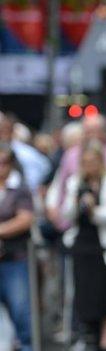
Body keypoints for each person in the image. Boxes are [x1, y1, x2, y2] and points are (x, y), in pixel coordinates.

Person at [61, 140, 106, 350]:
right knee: (84, 296)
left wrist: (94, 210)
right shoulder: (75, 182)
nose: (89, 165)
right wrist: (76, 201)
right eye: (85, 161)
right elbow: (66, 214)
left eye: (93, 161)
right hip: (83, 245)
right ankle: (87, 337)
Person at [0, 144, 35, 351]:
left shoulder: (20, 189)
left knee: (22, 315)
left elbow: (25, 219)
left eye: (4, 162)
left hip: (15, 259)